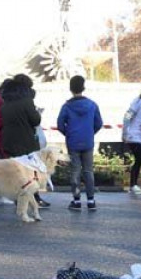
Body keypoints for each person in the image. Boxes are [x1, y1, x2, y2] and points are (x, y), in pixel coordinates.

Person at [1, 74, 50, 208]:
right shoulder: (27, 102)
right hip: (26, 141)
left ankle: (19, 198)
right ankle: (35, 198)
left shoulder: (6, 103)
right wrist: (37, 113)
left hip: (10, 141)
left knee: (17, 172)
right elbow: (35, 120)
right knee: (32, 172)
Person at [57, 76, 103, 210]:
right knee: (88, 171)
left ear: (70, 89)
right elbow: (99, 123)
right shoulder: (92, 105)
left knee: (75, 170)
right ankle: (91, 200)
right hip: (88, 141)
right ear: (83, 87)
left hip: (73, 142)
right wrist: (90, 133)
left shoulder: (66, 106)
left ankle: (76, 201)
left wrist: (69, 133)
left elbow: (60, 124)